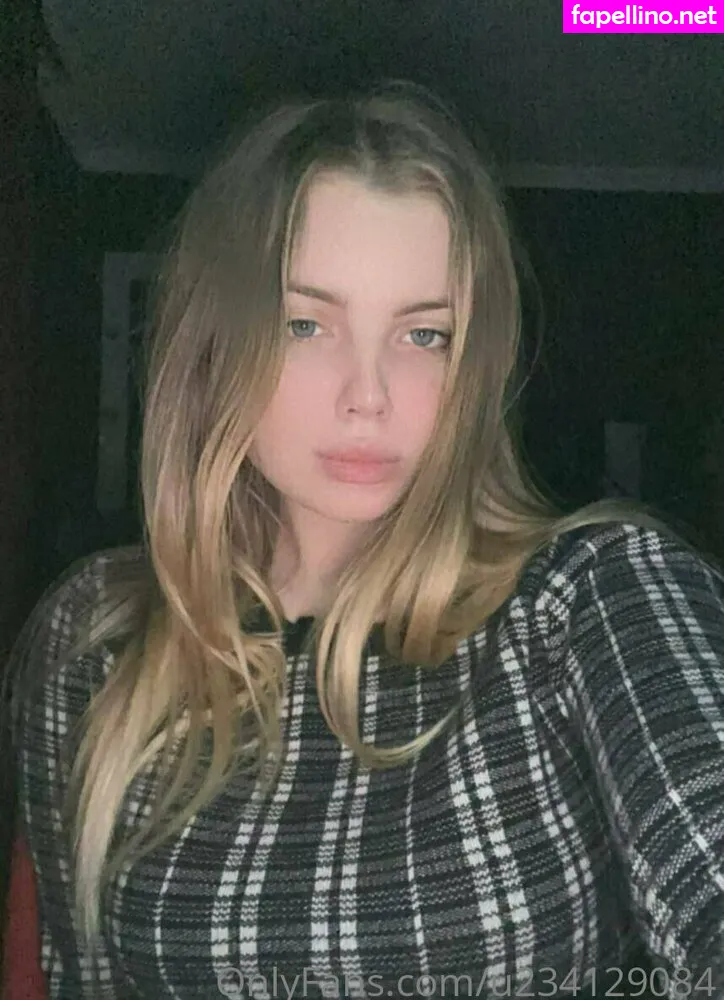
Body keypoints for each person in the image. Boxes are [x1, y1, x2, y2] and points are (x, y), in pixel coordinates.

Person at [4, 79, 724, 1000]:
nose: (369, 395)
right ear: (216, 342)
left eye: (424, 336)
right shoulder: (98, 638)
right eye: (306, 324)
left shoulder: (589, 596)